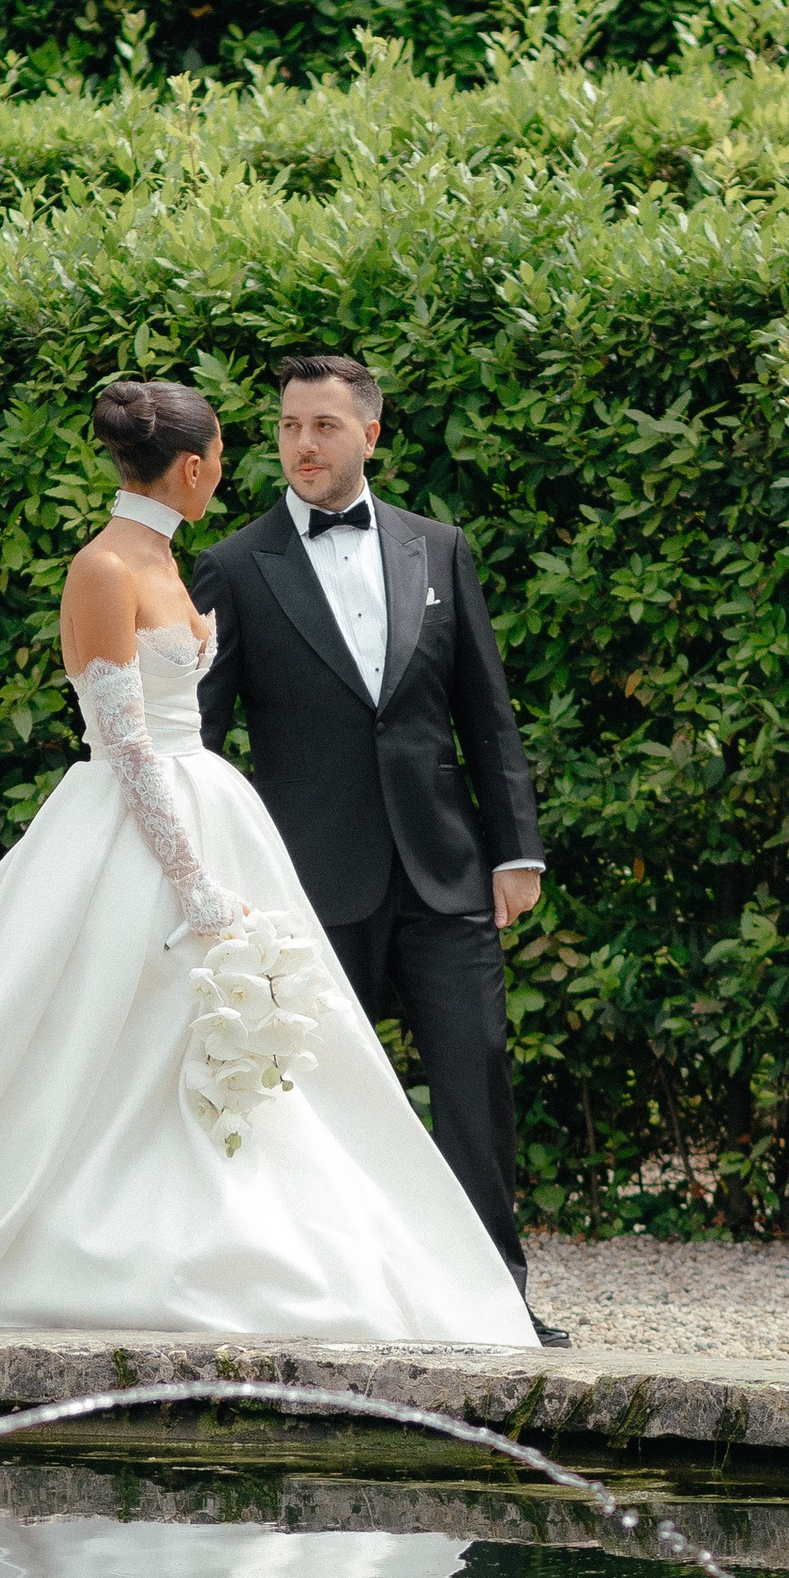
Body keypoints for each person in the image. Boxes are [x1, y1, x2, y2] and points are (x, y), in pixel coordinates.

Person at [0, 378, 532, 1344]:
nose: (269, 455)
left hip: (216, 816)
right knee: (93, 1044)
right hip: (138, 827)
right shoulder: (107, 570)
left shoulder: (172, 557)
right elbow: (122, 748)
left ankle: (300, 1241)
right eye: (244, 448)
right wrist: (195, 884)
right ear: (195, 467)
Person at [192, 353, 557, 1337]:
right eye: (285, 427)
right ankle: (336, 1299)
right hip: (306, 886)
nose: (301, 445)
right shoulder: (232, 566)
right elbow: (199, 739)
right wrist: (216, 878)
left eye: (321, 426)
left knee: (474, 1080)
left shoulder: (439, 551)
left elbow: (486, 715)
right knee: (315, 1104)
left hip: (445, 872)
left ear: (369, 436)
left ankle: (497, 1306)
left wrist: (513, 850)